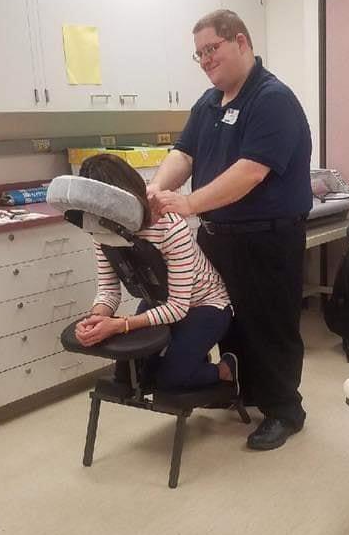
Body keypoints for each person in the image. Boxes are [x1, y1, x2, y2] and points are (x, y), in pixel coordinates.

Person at [147, 9, 312, 451]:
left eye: (212, 49)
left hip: (267, 238)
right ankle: (244, 391)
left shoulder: (271, 98)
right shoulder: (209, 102)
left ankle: (285, 411)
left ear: (240, 42)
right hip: (218, 238)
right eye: (199, 53)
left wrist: (188, 203)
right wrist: (156, 189)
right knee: (227, 321)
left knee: (269, 326)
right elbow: (184, 154)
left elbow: (251, 171)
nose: (205, 60)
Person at [73, 153, 238, 394]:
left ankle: (225, 370)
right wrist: (96, 319)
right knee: (134, 378)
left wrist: (121, 325)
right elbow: (108, 291)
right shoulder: (101, 230)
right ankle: (191, 360)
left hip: (205, 304)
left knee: (170, 381)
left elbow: (178, 307)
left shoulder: (170, 227)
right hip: (158, 301)